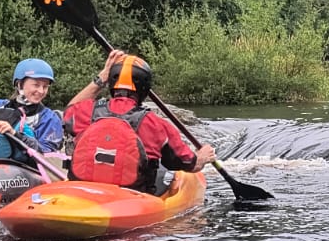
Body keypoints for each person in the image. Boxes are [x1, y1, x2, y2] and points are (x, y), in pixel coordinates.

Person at [63, 49, 215, 194]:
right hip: (131, 197)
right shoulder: (155, 124)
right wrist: (202, 157)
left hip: (84, 191)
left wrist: (101, 77)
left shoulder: (87, 111)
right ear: (145, 88)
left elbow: (69, 110)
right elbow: (188, 163)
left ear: (110, 82)